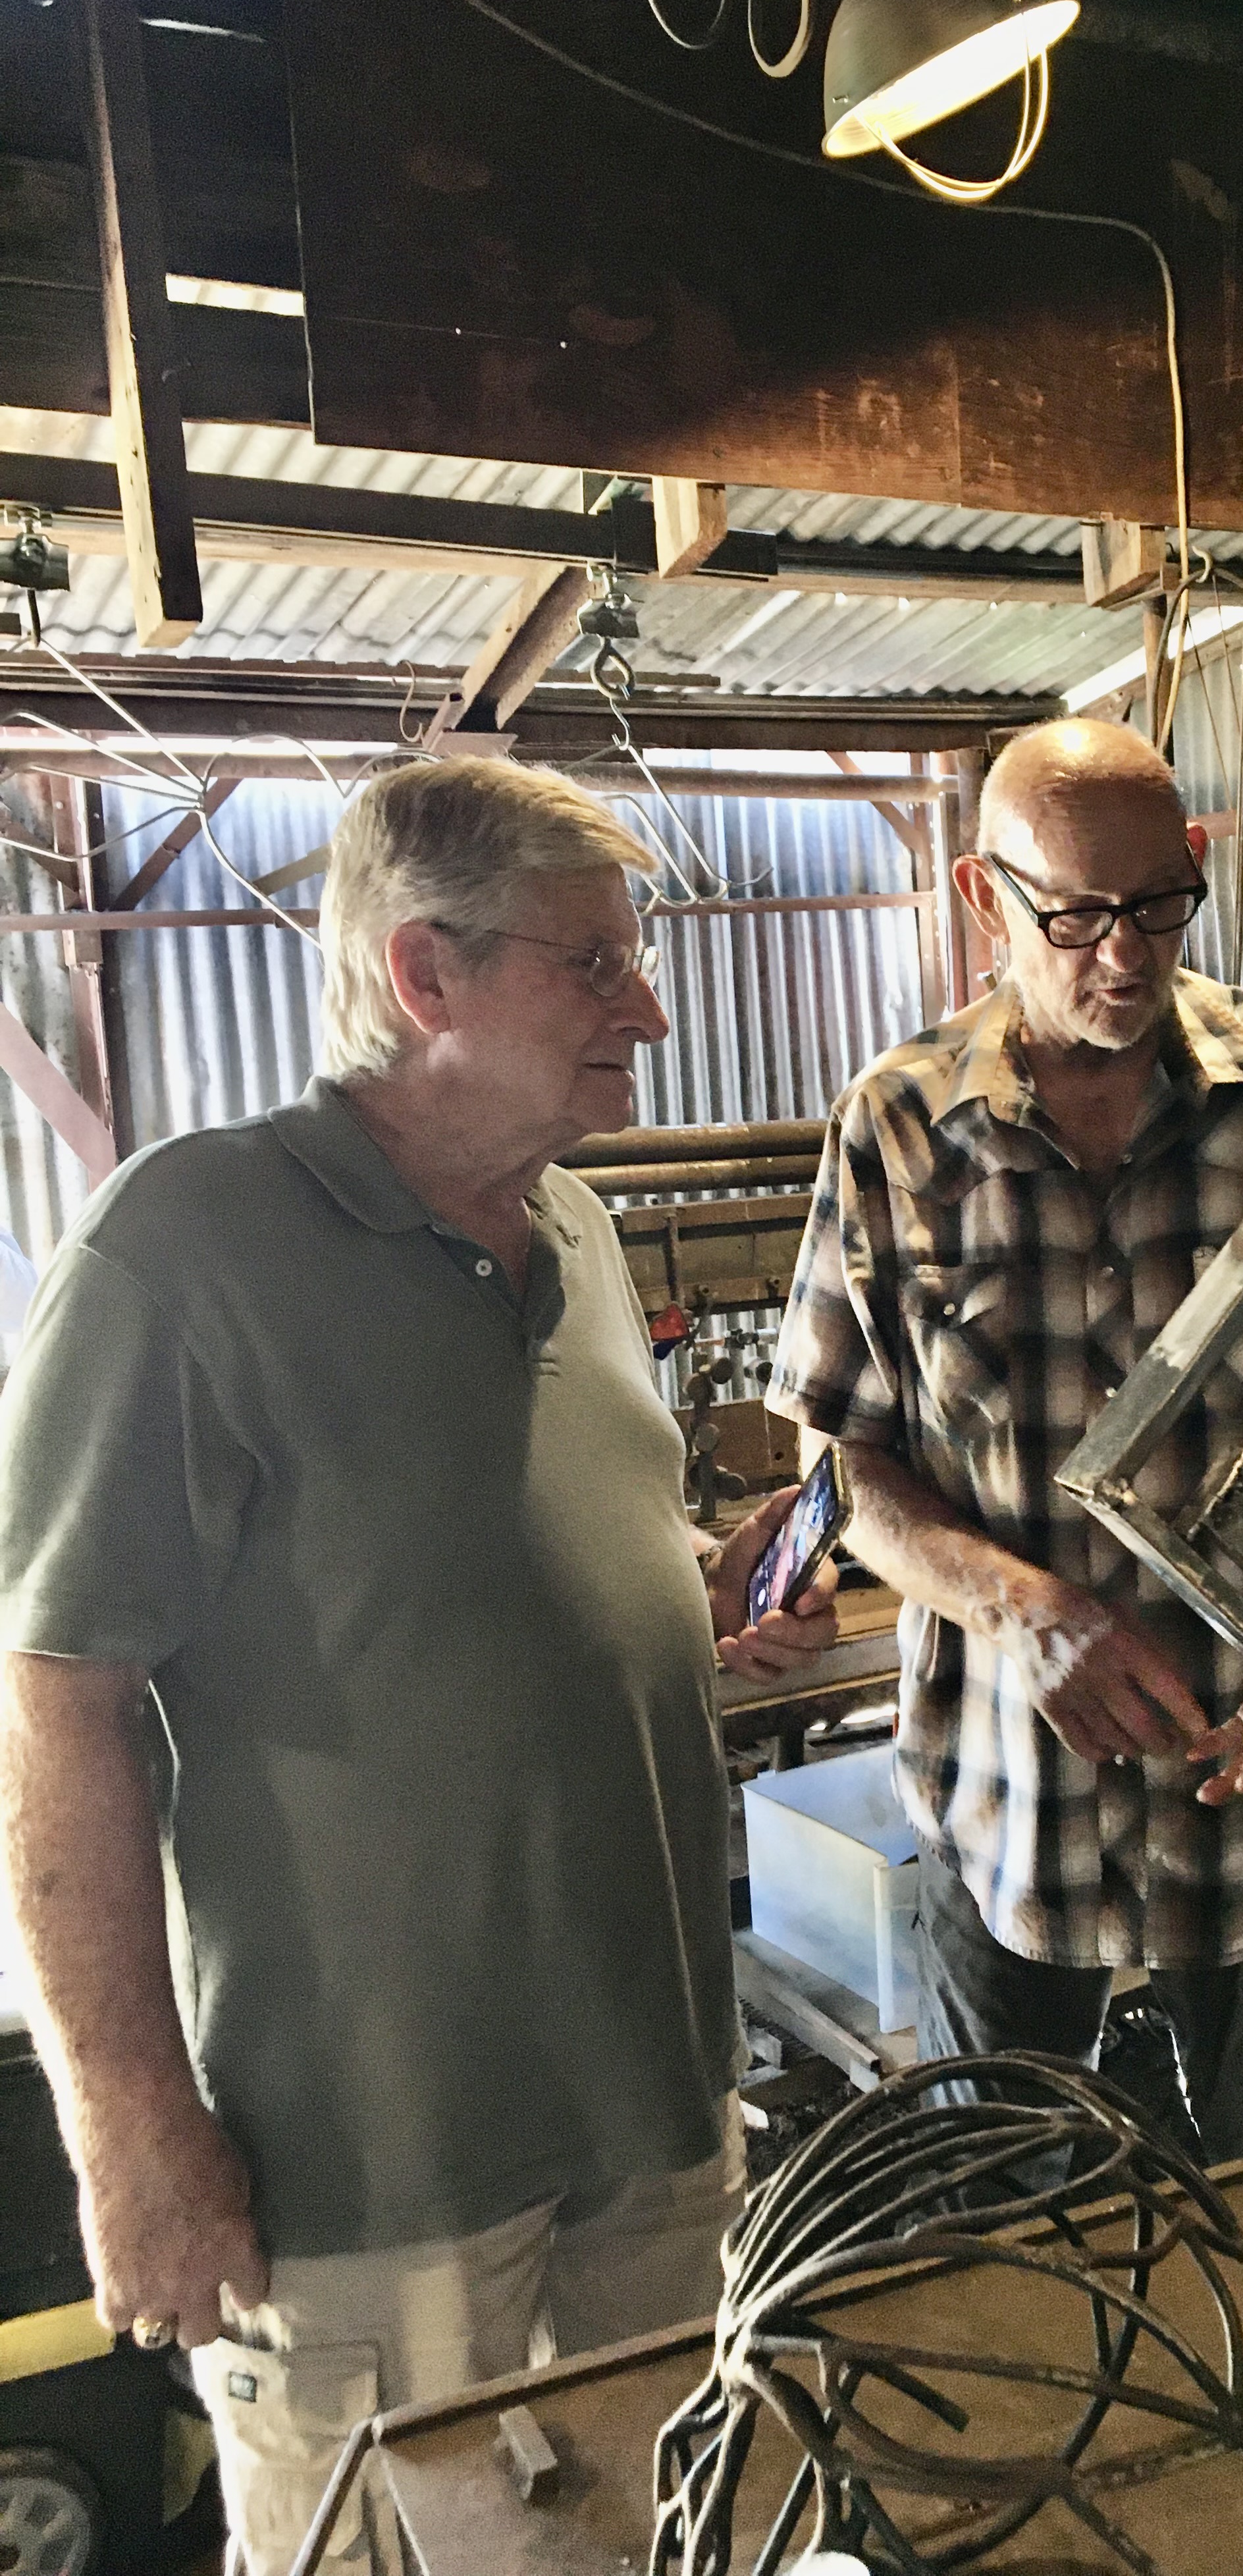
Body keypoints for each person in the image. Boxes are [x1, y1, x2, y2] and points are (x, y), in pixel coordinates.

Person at [0, 761, 836, 2575]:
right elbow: (53, 1703)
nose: (654, 1009)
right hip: (371, 2168)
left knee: (661, 2544)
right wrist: (131, 2132)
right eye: (595, 967)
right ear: (423, 977)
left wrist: (695, 1598)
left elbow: (491, 1550)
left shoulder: (582, 1232)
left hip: (654, 2103)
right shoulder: (182, 1253)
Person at [766, 720, 1243, 2162]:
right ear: (984, 895)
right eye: (1074, 915)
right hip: (1008, 1800)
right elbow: (844, 1471)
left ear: (1196, 866)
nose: (1123, 957)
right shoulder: (897, 1131)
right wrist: (1021, 1608)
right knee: (1008, 2230)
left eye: (1158, 906)